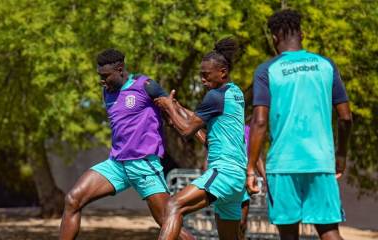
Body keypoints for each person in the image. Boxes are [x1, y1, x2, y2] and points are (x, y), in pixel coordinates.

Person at [59, 49, 194, 240]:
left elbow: (173, 113)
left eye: (105, 76)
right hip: (116, 164)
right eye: (100, 76)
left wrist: (193, 130)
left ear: (120, 69)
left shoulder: (146, 86)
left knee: (168, 223)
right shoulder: (107, 93)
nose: (102, 80)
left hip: (143, 165)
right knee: (73, 199)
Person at [246, 9, 353, 240]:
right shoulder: (326, 65)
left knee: (289, 235)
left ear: (274, 38)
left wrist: (250, 168)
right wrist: (341, 155)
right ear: (302, 34)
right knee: (329, 231)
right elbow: (345, 118)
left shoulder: (267, 71)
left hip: (283, 165)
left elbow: (260, 121)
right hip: (321, 162)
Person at [155, 37, 248, 240]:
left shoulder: (215, 96)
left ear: (222, 72)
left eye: (206, 75)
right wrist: (178, 108)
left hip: (223, 172)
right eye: (201, 76)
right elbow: (203, 131)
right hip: (236, 178)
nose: (203, 80)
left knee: (173, 205)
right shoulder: (234, 92)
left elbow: (187, 130)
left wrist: (169, 107)